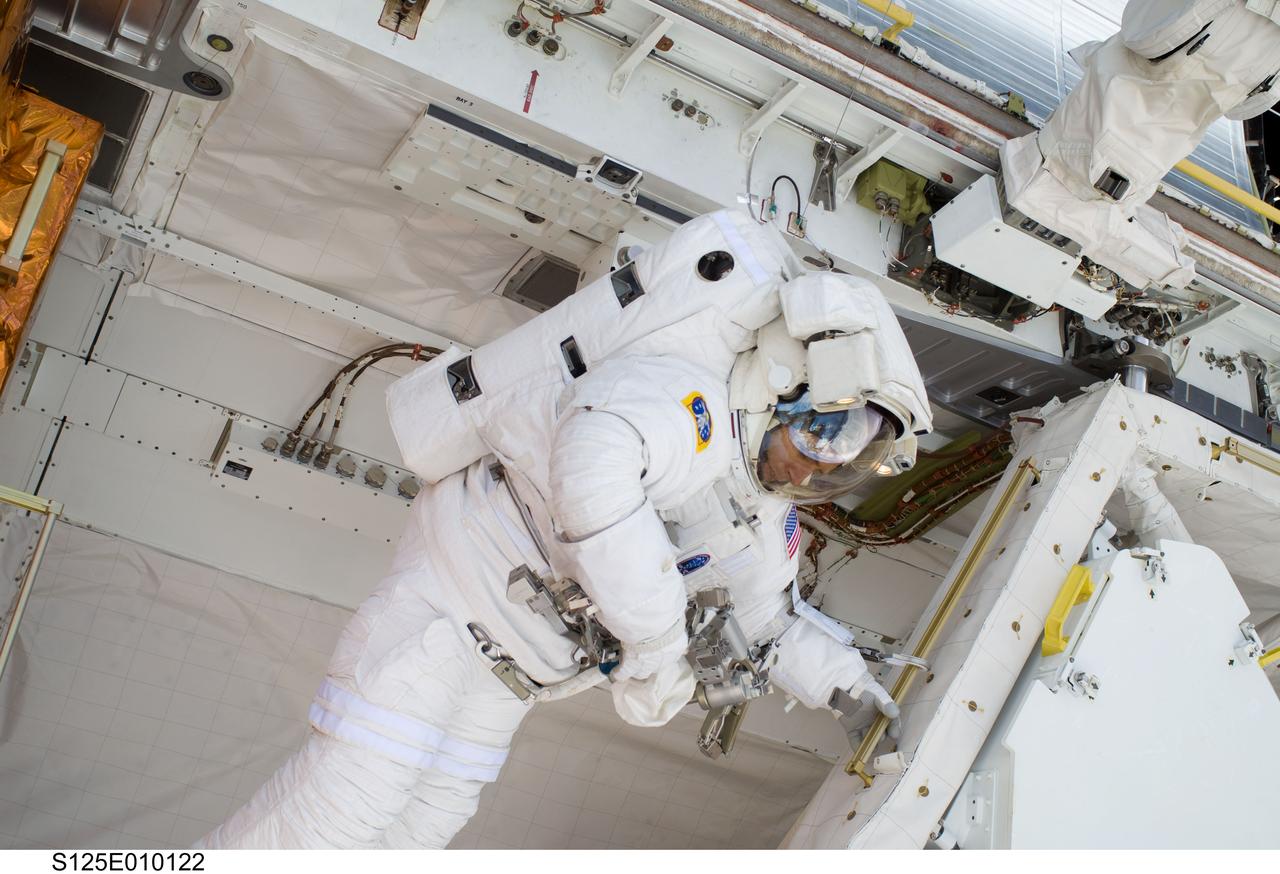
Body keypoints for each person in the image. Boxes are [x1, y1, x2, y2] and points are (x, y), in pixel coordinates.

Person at [198, 210, 931, 848]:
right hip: (447, 614)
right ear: (783, 384)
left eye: (842, 467)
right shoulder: (689, 402)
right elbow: (596, 462)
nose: (812, 475)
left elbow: (767, 624)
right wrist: (655, 640)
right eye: (820, 443)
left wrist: (849, 693)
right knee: (330, 827)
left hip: (509, 674)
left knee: (414, 835)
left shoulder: (756, 507)